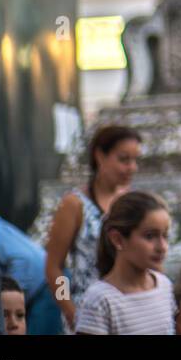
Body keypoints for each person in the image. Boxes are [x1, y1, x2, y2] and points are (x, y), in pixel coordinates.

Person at [44, 125, 142, 332]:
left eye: (135, 160)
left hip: (128, 313)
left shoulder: (132, 201)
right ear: (100, 156)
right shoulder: (74, 204)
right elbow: (54, 267)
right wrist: (69, 309)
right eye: (124, 159)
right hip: (88, 316)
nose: (131, 167)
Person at [74, 191, 174, 335]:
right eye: (150, 236)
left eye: (165, 235)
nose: (162, 246)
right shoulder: (100, 300)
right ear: (118, 239)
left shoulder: (164, 286)